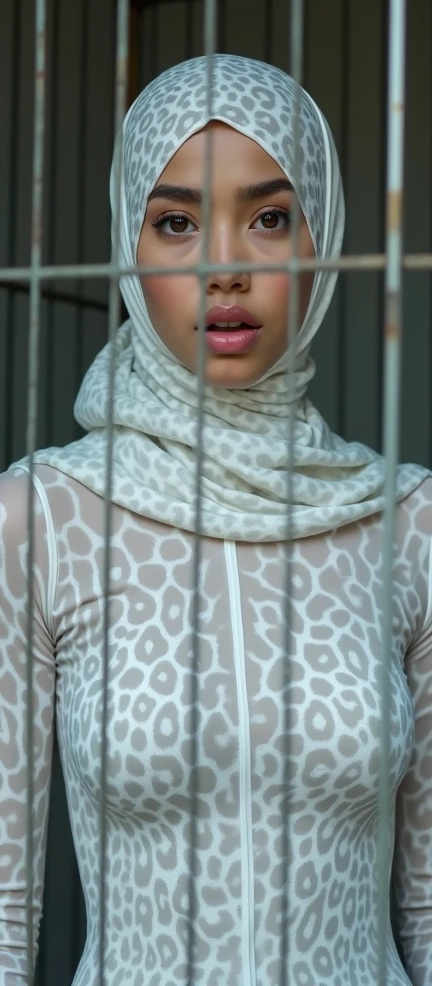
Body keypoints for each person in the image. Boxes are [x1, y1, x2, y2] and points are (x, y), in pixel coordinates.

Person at [0, 54, 431, 986]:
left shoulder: (410, 525)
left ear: (325, 236)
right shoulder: (42, 518)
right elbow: (4, 907)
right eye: (176, 223)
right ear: (128, 244)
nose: (225, 267)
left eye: (270, 218)